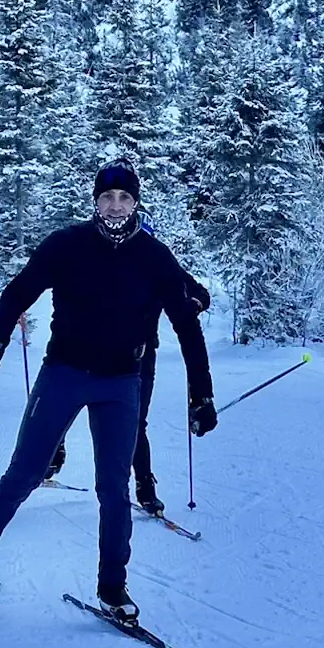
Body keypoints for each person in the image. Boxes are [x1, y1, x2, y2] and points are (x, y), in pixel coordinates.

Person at [0, 162, 218, 620]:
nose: (116, 206)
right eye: (107, 198)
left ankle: (113, 588)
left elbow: (187, 327)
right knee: (22, 475)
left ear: (136, 202)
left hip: (121, 384)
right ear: (96, 202)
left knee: (112, 488)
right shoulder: (67, 246)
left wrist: (202, 395)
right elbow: (19, 290)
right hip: (62, 374)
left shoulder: (154, 256)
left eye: (124, 198)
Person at [44, 209, 210, 517]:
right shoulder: (105, 260)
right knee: (65, 404)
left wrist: (193, 305)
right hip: (92, 353)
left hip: (142, 358)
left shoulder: (159, 264)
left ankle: (145, 488)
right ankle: (53, 455)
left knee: (135, 424)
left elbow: (199, 291)